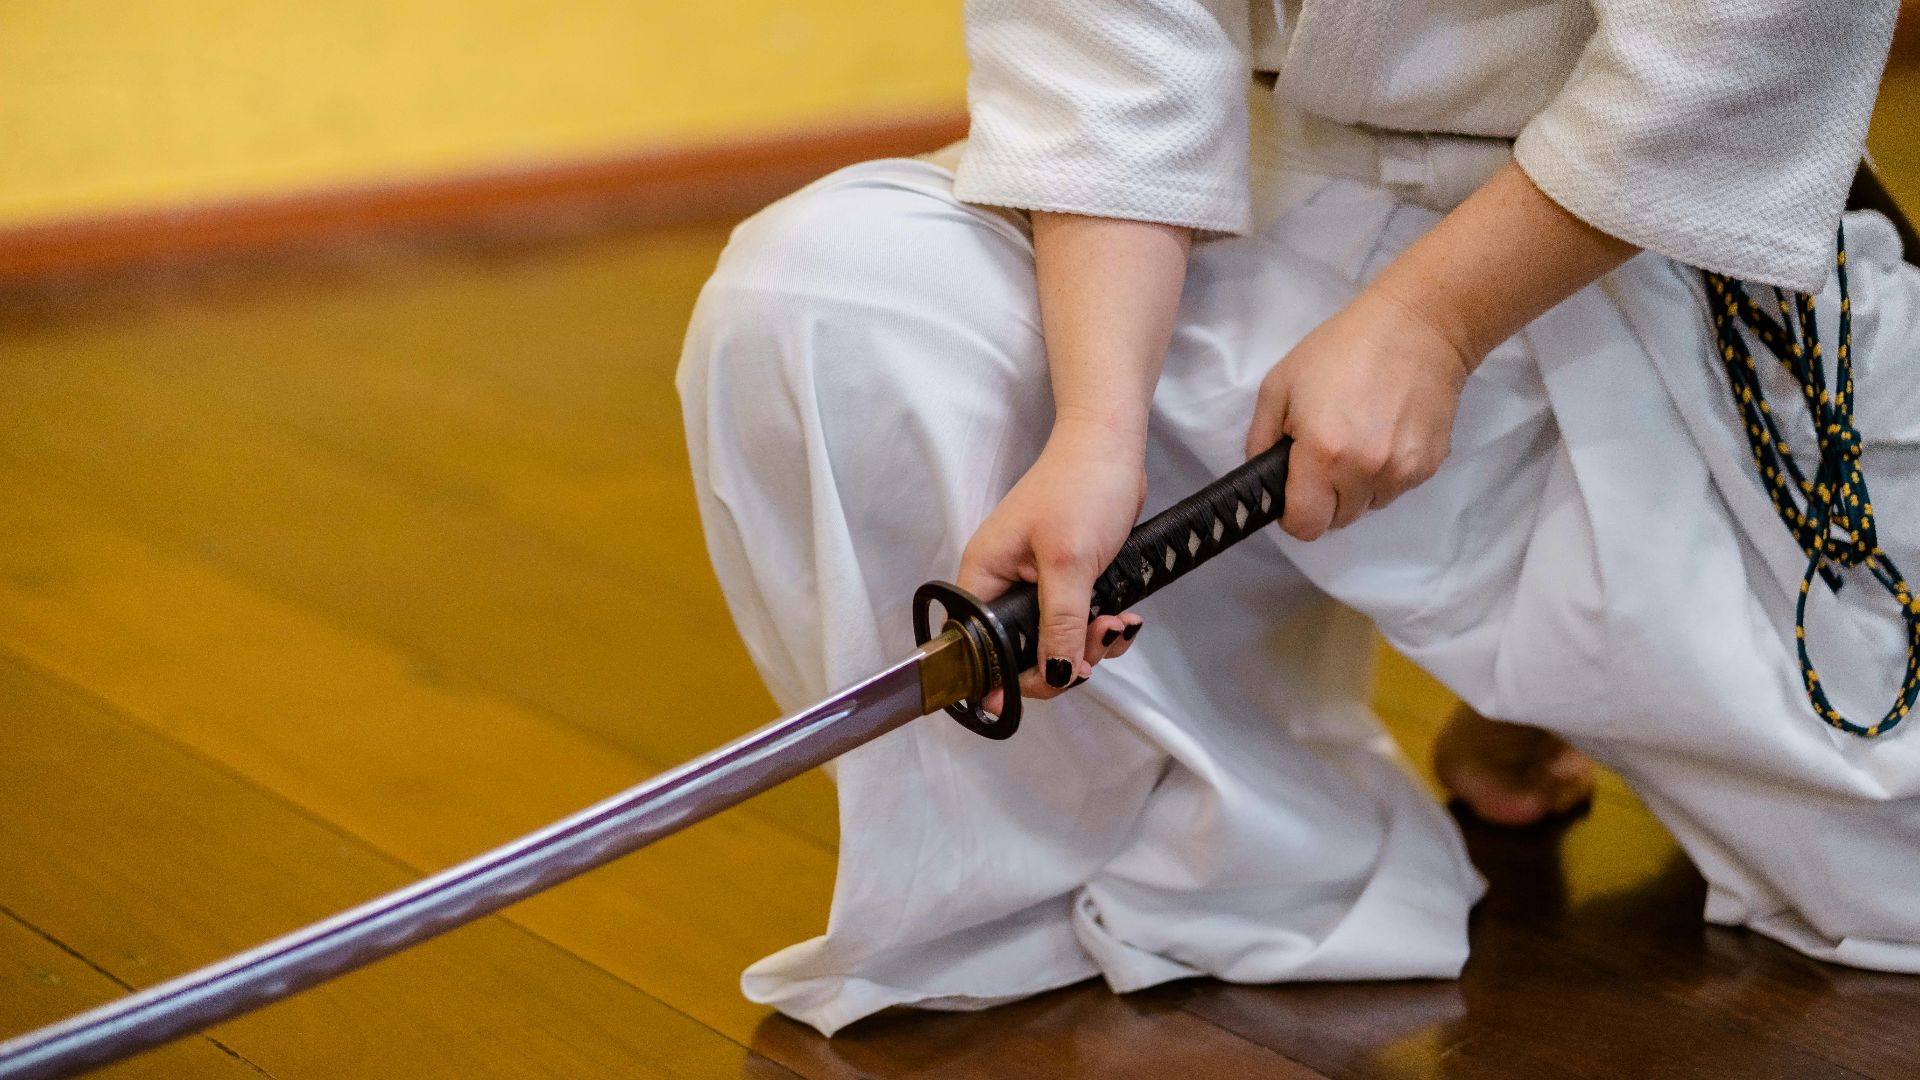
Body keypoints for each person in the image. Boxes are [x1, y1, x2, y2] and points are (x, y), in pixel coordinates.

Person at [678, 0, 1919, 1036]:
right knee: (834, 295)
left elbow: (1751, 32)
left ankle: (1541, 680)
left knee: (1899, 876)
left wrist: (1435, 320)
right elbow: (1106, 47)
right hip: (1226, 199)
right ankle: (1230, 852)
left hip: (1623, 227)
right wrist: (1097, 429)